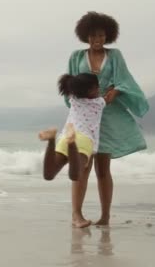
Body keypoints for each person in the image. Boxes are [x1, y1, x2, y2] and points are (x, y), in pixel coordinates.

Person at [66, 12, 149, 226]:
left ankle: (105, 217)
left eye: (102, 35)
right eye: (93, 36)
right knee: (82, 166)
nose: (97, 40)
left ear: (108, 36)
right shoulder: (76, 57)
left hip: (108, 115)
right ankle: (77, 215)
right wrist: (82, 97)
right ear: (86, 35)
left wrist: (116, 91)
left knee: (103, 168)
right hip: (84, 116)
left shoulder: (115, 56)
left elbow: (124, 80)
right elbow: (69, 86)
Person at [39, 73, 106, 228]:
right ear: (91, 91)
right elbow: (110, 96)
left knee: (49, 174)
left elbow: (76, 89)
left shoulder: (73, 100)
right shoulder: (99, 102)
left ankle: (51, 140)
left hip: (63, 138)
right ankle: (72, 144)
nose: (99, 89)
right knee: (77, 175)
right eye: (97, 87)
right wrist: (115, 90)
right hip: (83, 140)